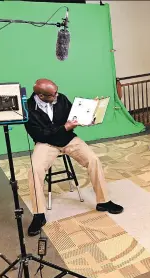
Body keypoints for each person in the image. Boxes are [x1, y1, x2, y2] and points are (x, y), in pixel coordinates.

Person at [25, 79, 123, 236]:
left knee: (93, 160)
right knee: (34, 170)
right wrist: (65, 127)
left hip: (68, 139)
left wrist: (89, 117)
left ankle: (103, 201)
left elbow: (74, 115)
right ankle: (39, 215)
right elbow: (39, 134)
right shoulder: (28, 108)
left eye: (57, 91)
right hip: (46, 143)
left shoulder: (61, 98)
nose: (57, 95)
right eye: (53, 94)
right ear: (41, 95)